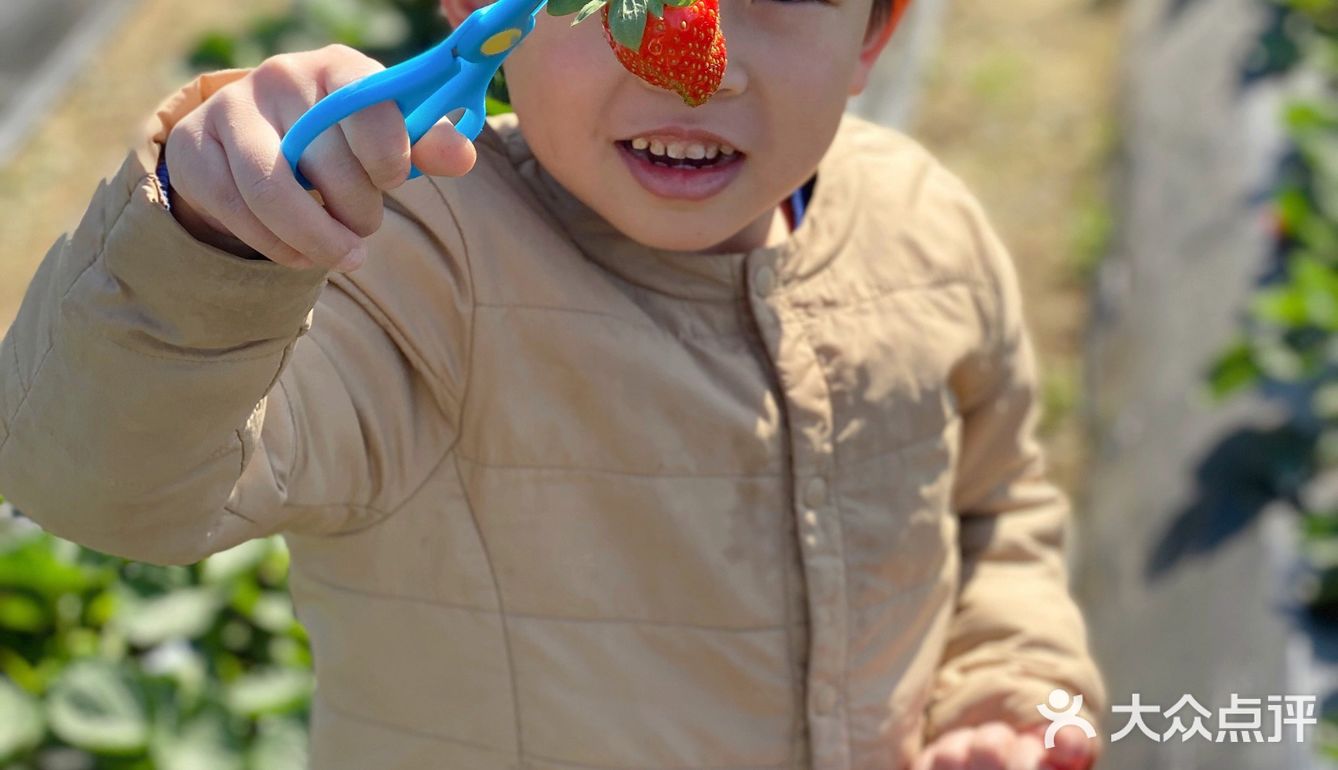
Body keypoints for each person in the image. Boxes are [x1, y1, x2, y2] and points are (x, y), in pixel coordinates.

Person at [0, 0, 1108, 766]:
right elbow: (105, 483)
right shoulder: (409, 266)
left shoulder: (923, 224)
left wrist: (1010, 685)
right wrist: (208, 245)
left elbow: (998, 507)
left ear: (875, 33)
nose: (700, 59)